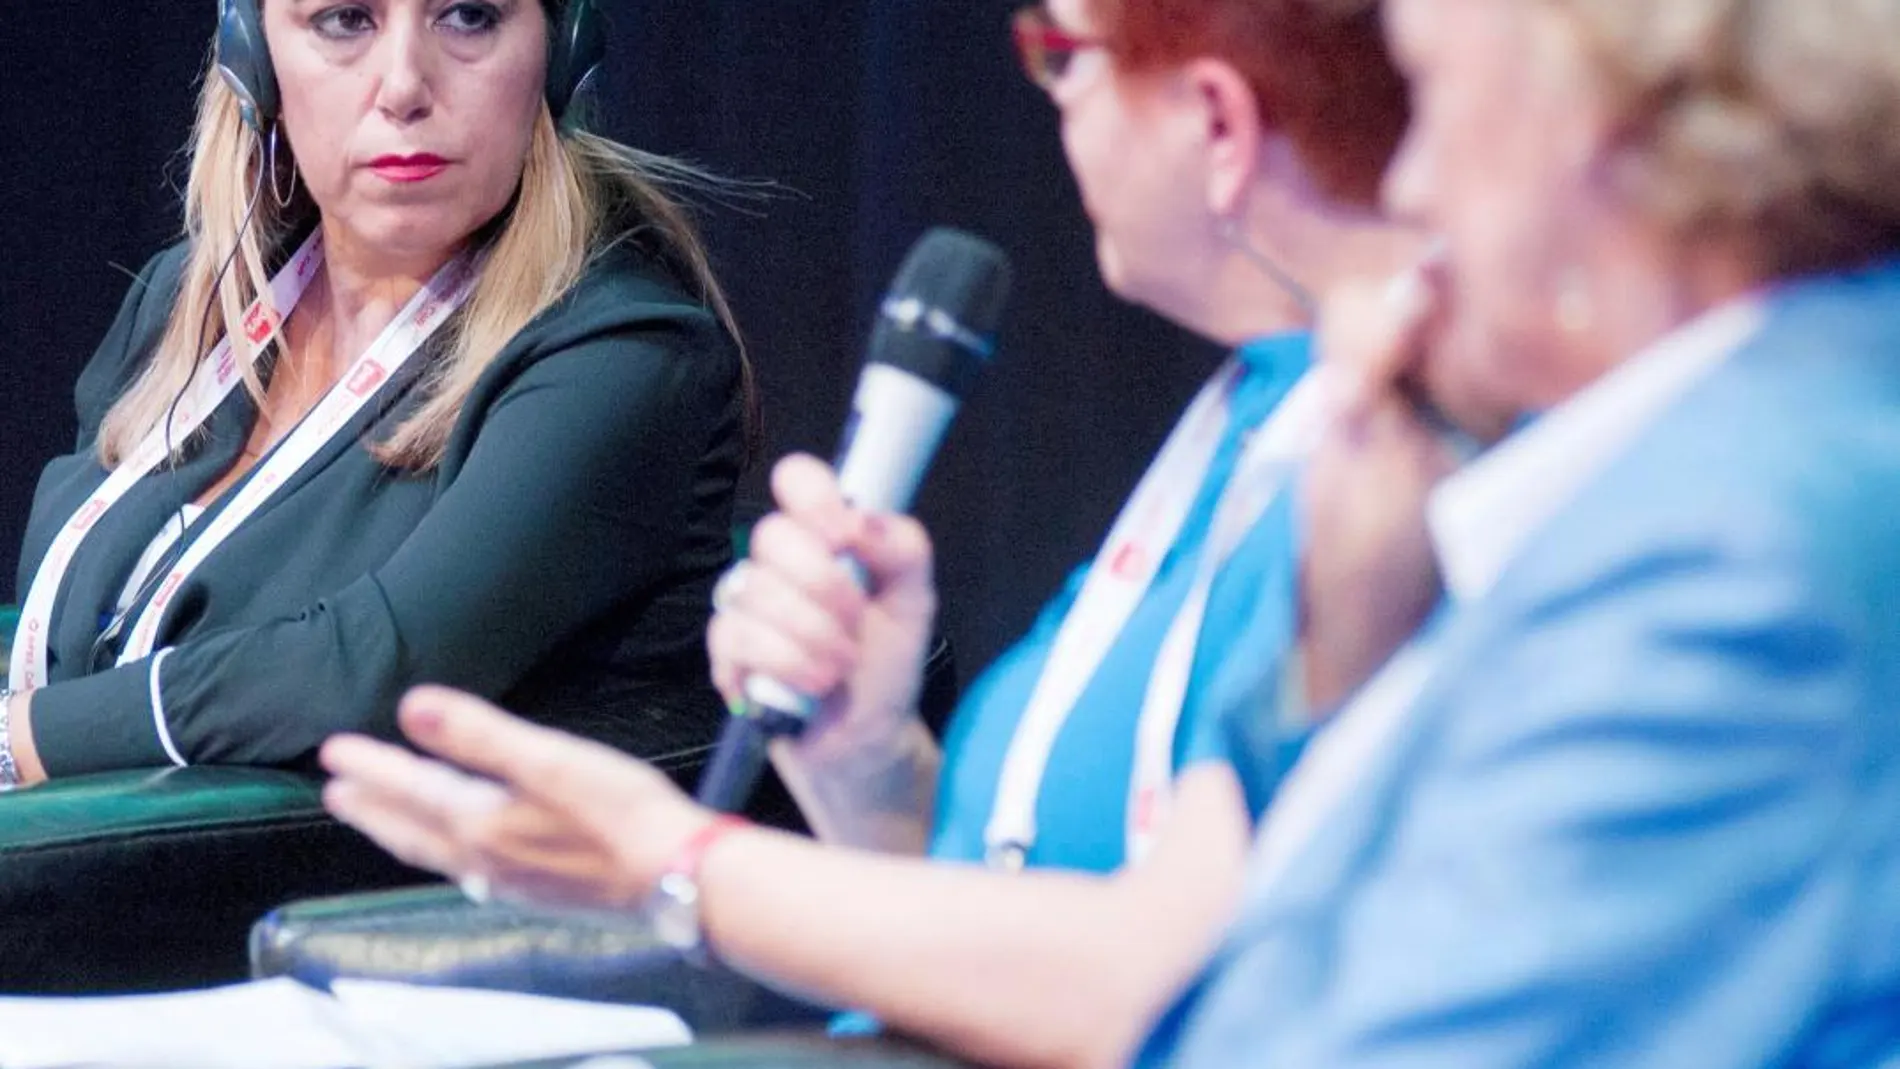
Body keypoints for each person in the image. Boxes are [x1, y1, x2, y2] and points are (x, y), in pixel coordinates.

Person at [320, 1, 1419, 1066]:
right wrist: (868, 756)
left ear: (1219, 125)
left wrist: (676, 860)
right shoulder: (1250, 406)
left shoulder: (1387, 478)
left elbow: (1163, 991)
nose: (1054, 103)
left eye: (1061, 52)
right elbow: (1012, 920)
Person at [1139, 0, 1900, 1064]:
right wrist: (1358, 650)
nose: (1408, 187)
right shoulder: (1801, 436)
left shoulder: (1728, 571)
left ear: (1597, 105)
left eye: (1432, 95)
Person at [3, 0, 748, 786]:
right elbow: (63, 637)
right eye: (346, 20)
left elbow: (377, 668)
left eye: (468, 17)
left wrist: (17, 738)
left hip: (385, 897)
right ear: (252, 61)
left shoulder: (628, 355)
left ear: (560, 57)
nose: (403, 87)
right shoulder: (189, 306)